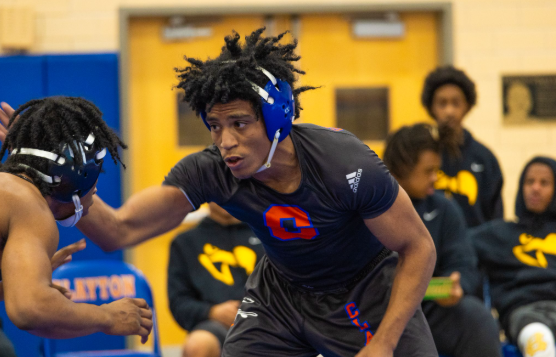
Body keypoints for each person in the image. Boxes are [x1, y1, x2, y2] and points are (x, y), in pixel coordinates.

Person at [3, 29, 438, 356]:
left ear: (276, 118)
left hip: (362, 290)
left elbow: (418, 246)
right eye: (214, 126)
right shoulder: (212, 170)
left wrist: (383, 343)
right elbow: (120, 230)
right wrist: (56, 172)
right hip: (281, 294)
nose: (224, 141)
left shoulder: (346, 164)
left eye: (239, 124)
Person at [0, 97, 153, 341]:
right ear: (78, 175)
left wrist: (14, 282)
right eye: (96, 173)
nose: (95, 190)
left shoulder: (9, 192)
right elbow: (28, 310)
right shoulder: (29, 206)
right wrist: (108, 316)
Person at [383, 123, 502, 357]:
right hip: (377, 309)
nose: (435, 178)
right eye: (428, 171)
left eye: (437, 169)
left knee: (477, 317)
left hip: (430, 309)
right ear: (402, 168)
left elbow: (465, 264)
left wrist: (457, 284)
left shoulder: (444, 208)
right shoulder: (369, 207)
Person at [472, 156, 556, 357]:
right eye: (529, 182)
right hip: (525, 313)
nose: (535, 188)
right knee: (539, 340)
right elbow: (454, 244)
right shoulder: (499, 234)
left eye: (544, 183)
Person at [168, 202, 264, 357]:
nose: (224, 193)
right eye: (218, 185)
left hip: (269, 323)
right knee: (198, 344)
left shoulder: (268, 234)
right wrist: (212, 312)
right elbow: (179, 303)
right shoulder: (185, 242)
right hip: (217, 326)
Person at [421, 65, 504, 227]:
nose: (449, 111)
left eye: (456, 103)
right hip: (431, 247)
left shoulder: (485, 157)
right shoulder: (421, 155)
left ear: (467, 106)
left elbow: (496, 218)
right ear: (431, 107)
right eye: (442, 103)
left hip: (476, 250)